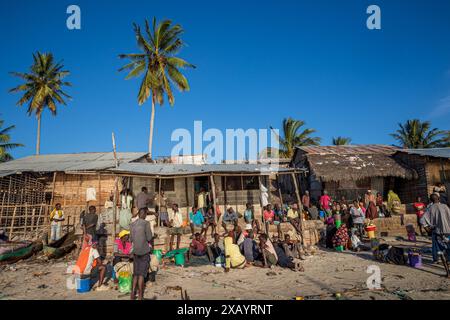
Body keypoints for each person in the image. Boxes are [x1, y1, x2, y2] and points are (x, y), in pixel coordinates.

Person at [129, 208, 153, 300]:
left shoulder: (132, 224)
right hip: (144, 251)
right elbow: (149, 237)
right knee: (141, 275)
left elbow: (131, 239)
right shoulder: (146, 223)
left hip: (135, 251)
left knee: (135, 273)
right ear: (144, 214)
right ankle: (140, 295)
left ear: (138, 214)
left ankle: (132, 293)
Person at [421, 193, 450, 264]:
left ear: (431, 200)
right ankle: (448, 260)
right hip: (448, 230)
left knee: (436, 246)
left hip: (437, 231)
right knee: (448, 246)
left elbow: (422, 220)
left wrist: (427, 230)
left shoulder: (430, 208)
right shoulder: (445, 206)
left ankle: (436, 259)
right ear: (439, 199)